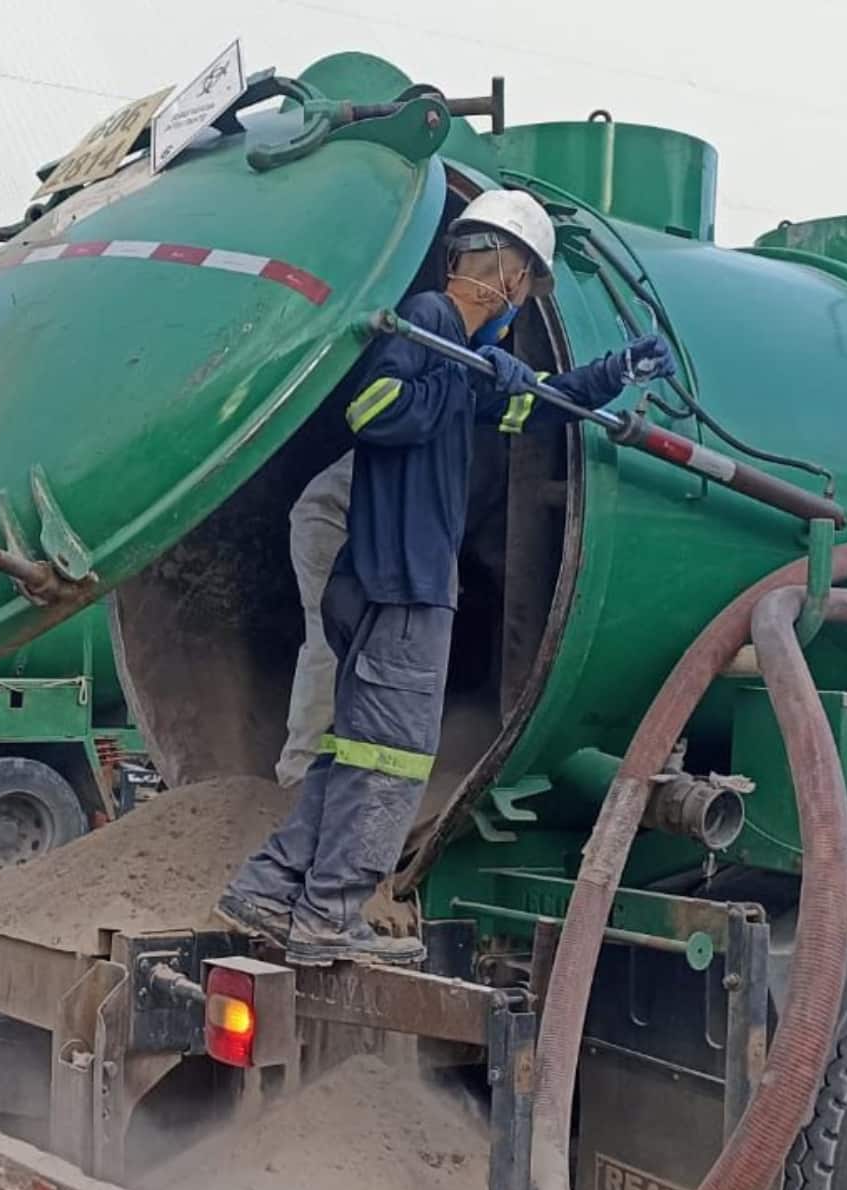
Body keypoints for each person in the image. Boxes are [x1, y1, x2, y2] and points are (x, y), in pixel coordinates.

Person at [218, 189, 675, 966]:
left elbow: (536, 407)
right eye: (526, 287)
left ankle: (268, 887)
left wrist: (611, 373)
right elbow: (373, 409)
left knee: (357, 750)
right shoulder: (430, 323)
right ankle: (331, 913)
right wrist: (455, 379)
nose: (522, 304)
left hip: (387, 582)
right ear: (506, 273)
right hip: (401, 586)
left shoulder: (463, 357)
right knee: (393, 756)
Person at [275, 451, 354, 790]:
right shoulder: (469, 454)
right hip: (328, 520)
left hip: (336, 518)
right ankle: (299, 769)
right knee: (329, 641)